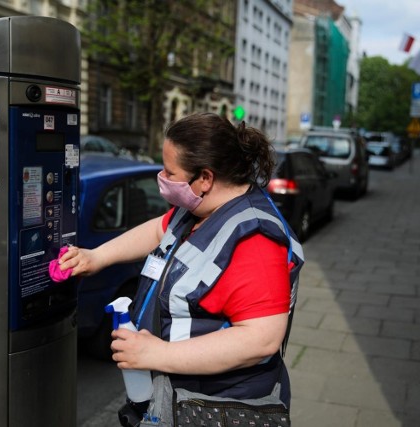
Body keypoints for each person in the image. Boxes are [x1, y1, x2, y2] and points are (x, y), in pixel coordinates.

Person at [59, 112, 304, 422]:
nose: (162, 178)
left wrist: (156, 354)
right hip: (179, 397)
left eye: (170, 172)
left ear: (205, 178)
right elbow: (159, 231)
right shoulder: (199, 208)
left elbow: (261, 339)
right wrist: (96, 257)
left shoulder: (255, 238)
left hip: (218, 408)